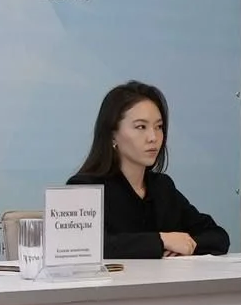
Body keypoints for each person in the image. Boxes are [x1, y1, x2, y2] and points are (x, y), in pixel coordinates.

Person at [67, 81, 228, 258]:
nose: (153, 137)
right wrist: (161, 240)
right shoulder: (85, 187)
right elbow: (84, 245)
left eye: (158, 127)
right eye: (141, 127)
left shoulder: (162, 187)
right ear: (113, 135)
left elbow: (217, 236)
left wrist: (187, 245)